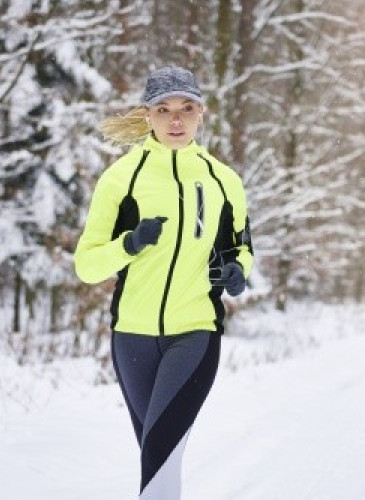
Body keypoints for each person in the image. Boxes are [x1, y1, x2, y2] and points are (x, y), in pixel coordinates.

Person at [74, 66, 253, 499]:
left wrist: (237, 273)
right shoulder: (121, 179)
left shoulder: (224, 182)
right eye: (164, 109)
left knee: (160, 449)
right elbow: (87, 264)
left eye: (186, 109)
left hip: (194, 331)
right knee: (154, 453)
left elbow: (241, 248)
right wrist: (129, 244)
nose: (176, 120)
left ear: (201, 114)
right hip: (132, 335)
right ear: (148, 115)